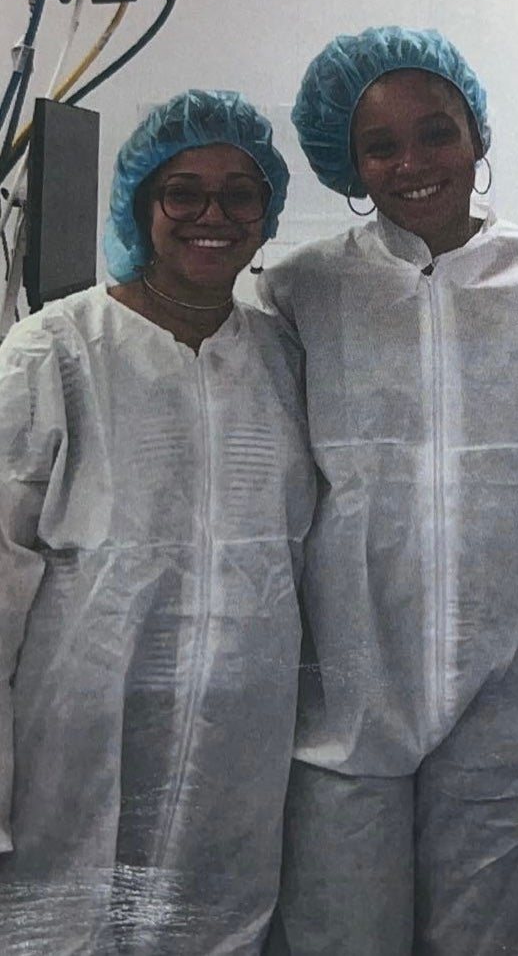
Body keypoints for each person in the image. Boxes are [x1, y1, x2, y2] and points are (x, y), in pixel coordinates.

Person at [260, 26, 518, 956]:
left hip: (516, 694)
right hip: (349, 697)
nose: (412, 163)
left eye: (436, 132)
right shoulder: (303, 290)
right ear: (349, 165)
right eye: (380, 146)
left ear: (476, 134)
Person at [0, 89, 315, 954]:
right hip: (78, 742)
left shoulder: (283, 359)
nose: (213, 215)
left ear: (266, 214)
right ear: (142, 204)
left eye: (239, 194)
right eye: (184, 192)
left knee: (214, 931)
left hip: (237, 751)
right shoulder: (56, 351)